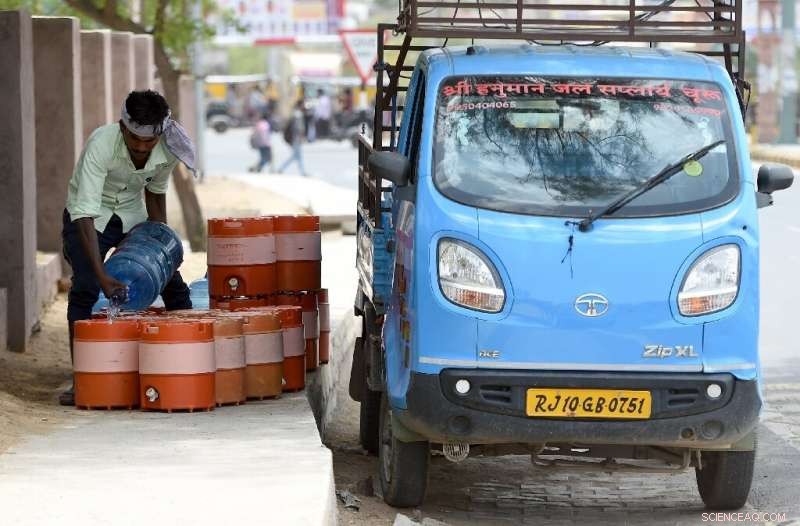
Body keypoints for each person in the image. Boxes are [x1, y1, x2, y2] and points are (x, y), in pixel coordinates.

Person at [59, 90, 195, 406]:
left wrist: (162, 249)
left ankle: (186, 363)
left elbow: (156, 193)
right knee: (86, 287)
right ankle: (83, 378)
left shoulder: (170, 146)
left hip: (132, 214)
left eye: (150, 141)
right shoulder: (101, 143)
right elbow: (85, 211)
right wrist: (102, 276)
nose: (142, 147)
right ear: (123, 127)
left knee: (173, 285)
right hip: (89, 216)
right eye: (136, 139)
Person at [277, 99, 309, 177]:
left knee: (296, 156)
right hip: (296, 138)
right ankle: (302, 172)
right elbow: (298, 128)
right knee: (297, 156)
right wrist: (302, 136)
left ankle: (282, 169)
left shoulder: (296, 113)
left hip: (296, 138)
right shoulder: (298, 115)